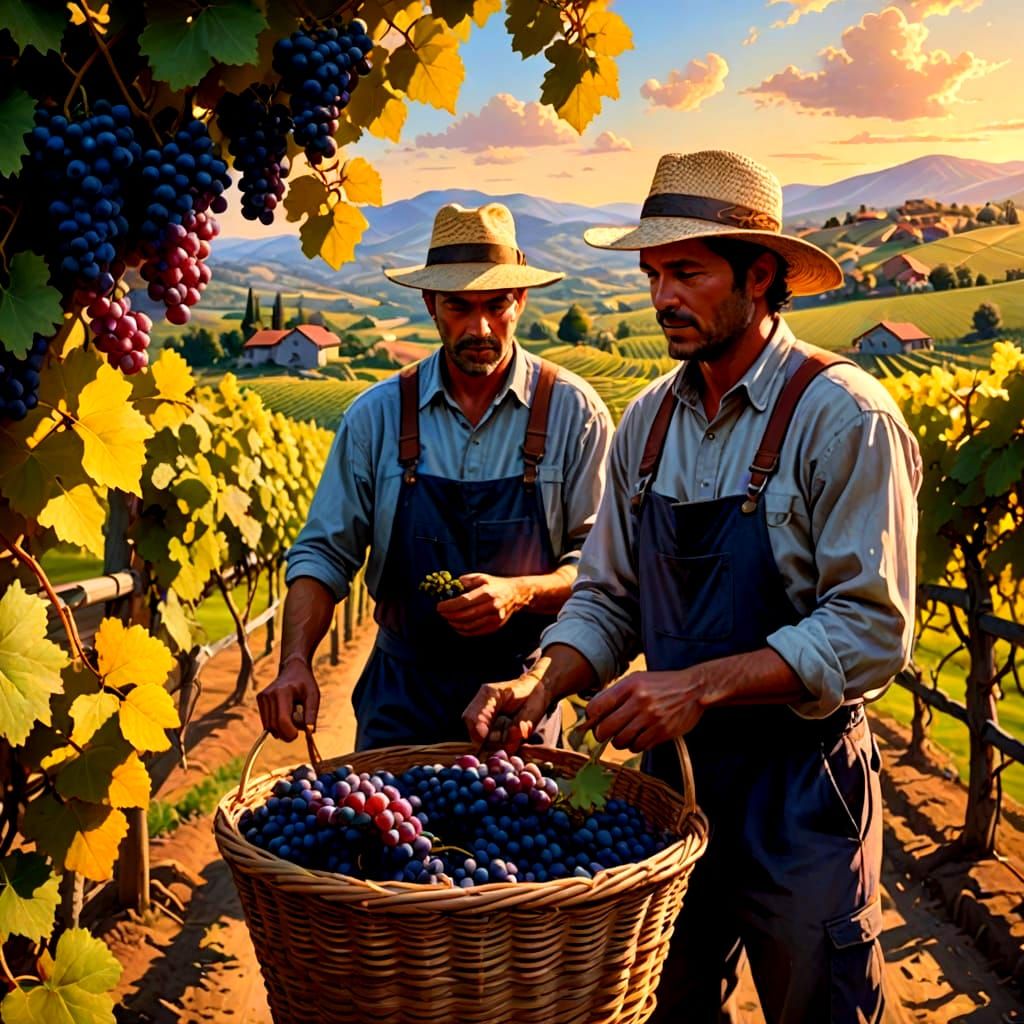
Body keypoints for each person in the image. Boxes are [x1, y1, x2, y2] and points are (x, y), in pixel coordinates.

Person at [464, 151, 922, 1023]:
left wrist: (699, 684)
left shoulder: (844, 417)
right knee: (661, 1006)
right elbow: (608, 596)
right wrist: (542, 680)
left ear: (760, 275)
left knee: (816, 1003)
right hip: (669, 791)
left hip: (801, 792)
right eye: (651, 275)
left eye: (685, 272)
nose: (662, 297)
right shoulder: (647, 422)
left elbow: (870, 630)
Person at [258, 201, 613, 751]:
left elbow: (595, 570)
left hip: (521, 701)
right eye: (458, 307)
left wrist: (520, 592)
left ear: (520, 300)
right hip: (400, 697)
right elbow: (324, 554)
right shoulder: (376, 416)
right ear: (429, 303)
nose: (480, 327)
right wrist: (295, 661)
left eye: (497, 305)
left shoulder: (573, 413)